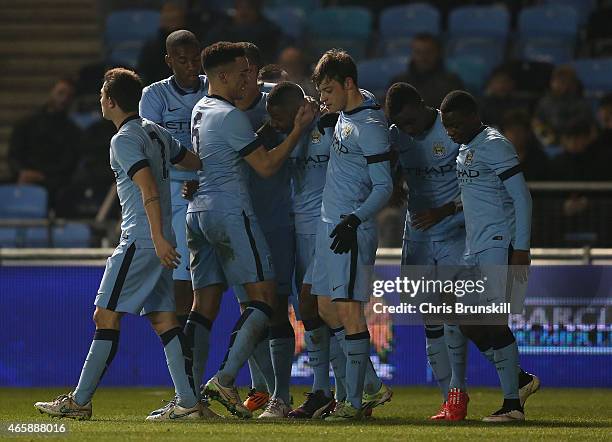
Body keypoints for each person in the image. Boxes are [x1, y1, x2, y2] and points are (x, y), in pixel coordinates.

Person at [34, 68, 204, 421]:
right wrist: (193, 182)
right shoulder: (155, 132)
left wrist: (156, 239)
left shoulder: (124, 138)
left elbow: (149, 190)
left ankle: (79, 402)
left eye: (101, 95)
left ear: (110, 100)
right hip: (161, 240)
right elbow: (193, 161)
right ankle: (188, 402)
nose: (99, 101)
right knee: (164, 319)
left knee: (105, 315)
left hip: (142, 241)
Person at [188, 42, 313, 419]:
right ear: (224, 76)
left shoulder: (201, 108)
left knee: (206, 307)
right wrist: (296, 131)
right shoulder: (230, 116)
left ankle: (189, 399)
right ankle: (228, 381)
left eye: (252, 71)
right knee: (264, 300)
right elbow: (267, 165)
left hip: (211, 215)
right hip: (234, 213)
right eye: (243, 73)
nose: (250, 79)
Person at [440, 90, 540, 422]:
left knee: (492, 319)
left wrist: (522, 249)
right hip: (475, 246)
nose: (450, 131)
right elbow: (478, 193)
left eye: (454, 124)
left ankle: (513, 405)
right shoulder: (467, 148)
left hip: (500, 244)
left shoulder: (495, 144)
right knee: (458, 312)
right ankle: (520, 379)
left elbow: (522, 198)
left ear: (472, 116)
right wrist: (446, 209)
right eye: (446, 126)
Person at [310, 49, 393, 420]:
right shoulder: (348, 112)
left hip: (349, 229)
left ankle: (356, 402)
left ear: (348, 84)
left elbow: (384, 187)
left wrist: (354, 220)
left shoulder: (371, 127)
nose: (323, 98)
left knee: (350, 311)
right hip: (330, 225)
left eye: (328, 90)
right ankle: (372, 385)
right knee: (326, 307)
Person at [385, 82, 470, 421]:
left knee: (451, 313)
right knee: (429, 318)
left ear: (423, 104)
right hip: (417, 235)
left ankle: (459, 393)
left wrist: (445, 210)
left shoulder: (452, 131)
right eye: (401, 125)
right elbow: (390, 161)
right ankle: (447, 399)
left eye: (410, 121)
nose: (408, 130)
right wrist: (391, 183)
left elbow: (479, 186)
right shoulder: (397, 135)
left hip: (454, 232)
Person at [263, 81, 348, 419]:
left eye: (278, 117)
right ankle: (324, 391)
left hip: (327, 230)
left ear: (299, 108)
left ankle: (350, 390)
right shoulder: (286, 136)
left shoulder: (332, 128)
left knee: (323, 308)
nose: (273, 123)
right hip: (298, 232)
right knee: (308, 313)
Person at [234, 41, 296, 418]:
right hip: (242, 223)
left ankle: (284, 395)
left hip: (279, 223)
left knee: (282, 309)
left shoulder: (281, 106)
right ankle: (262, 388)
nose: (243, 79)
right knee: (250, 309)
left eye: (247, 71)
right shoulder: (223, 110)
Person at [139, 29, 207, 333]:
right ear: (169, 61)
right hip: (174, 193)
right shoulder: (153, 96)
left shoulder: (213, 87)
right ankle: (184, 358)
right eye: (183, 61)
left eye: (196, 60)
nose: (191, 66)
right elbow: (151, 148)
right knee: (181, 281)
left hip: (214, 186)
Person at [8, 78, 81, 208]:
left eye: (69, 96)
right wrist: (21, 172)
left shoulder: (73, 131)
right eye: (61, 93)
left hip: (53, 182)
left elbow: (68, 163)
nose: (64, 99)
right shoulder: (25, 123)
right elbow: (14, 155)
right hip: (24, 177)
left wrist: (42, 176)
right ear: (51, 92)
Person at [388, 33, 463, 108]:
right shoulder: (399, 82)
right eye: (418, 52)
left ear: (438, 53)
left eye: (428, 52)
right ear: (412, 54)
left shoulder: (452, 82)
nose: (423, 57)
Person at [532, 65, 593, 149]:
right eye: (559, 81)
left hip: (573, 143)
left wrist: (567, 139)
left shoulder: (580, 103)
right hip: (549, 143)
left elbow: (583, 125)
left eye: (566, 81)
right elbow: (537, 123)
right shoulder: (545, 102)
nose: (562, 85)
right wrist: (549, 139)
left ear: (573, 84)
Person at [204, 0, 283, 64]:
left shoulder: (270, 31)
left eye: (250, 7)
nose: (244, 11)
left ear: (258, 9)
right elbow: (208, 53)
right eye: (240, 7)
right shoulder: (221, 28)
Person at [137, 1, 188, 85]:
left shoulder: (193, 44)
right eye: (166, 11)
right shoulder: (151, 46)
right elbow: (144, 71)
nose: (169, 15)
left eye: (173, 10)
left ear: (182, 15)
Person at [499, 109, 550, 181]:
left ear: (528, 133)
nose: (515, 136)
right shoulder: (496, 159)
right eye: (510, 131)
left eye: (519, 131)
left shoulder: (540, 159)